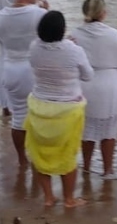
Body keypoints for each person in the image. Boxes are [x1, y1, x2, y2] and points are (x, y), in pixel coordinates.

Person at [24, 11, 93, 207]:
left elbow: (35, 60)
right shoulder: (73, 50)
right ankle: (69, 199)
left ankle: (48, 197)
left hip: (39, 107)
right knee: (68, 154)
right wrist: (74, 47)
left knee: (40, 153)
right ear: (62, 30)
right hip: (67, 110)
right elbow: (88, 76)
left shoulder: (34, 47)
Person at [0, 0, 49, 167]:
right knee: (37, 117)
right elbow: (48, 40)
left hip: (10, 69)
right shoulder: (39, 14)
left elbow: (1, 42)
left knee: (18, 118)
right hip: (33, 71)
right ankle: (36, 157)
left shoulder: (1, 17)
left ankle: (22, 160)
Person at [72, 0, 117, 177]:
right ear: (103, 13)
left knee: (87, 129)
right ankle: (108, 170)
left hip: (85, 84)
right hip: (109, 83)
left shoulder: (75, 34)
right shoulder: (113, 34)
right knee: (109, 130)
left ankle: (87, 167)